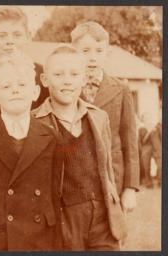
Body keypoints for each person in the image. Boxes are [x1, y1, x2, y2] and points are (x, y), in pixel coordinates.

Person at [33, 44, 127, 250]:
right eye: (58, 74)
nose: (67, 80)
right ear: (44, 80)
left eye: (74, 74)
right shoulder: (35, 121)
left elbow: (107, 168)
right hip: (63, 216)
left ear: (84, 79)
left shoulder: (99, 117)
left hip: (102, 215)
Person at [0, 55, 61, 251]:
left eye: (22, 84)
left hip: (39, 238)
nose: (15, 90)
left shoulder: (51, 137)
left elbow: (54, 197)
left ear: (35, 92)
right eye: (6, 86)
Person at [71, 21, 139, 212]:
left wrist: (129, 188)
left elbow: (130, 143)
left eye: (99, 51)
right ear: (74, 52)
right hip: (76, 182)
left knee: (113, 236)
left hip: (113, 181)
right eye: (85, 51)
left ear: (107, 53)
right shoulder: (67, 88)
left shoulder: (121, 90)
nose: (92, 58)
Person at [0, 6, 49, 109]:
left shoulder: (42, 74)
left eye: (17, 35)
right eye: (2, 36)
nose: (9, 41)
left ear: (27, 37)